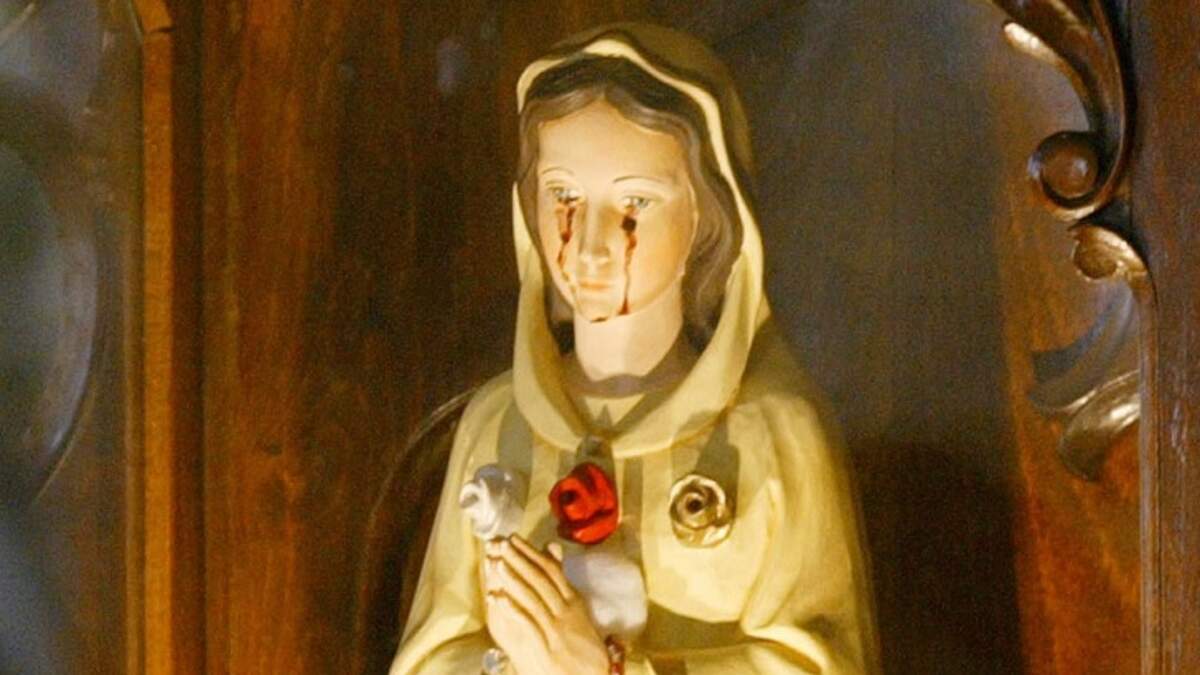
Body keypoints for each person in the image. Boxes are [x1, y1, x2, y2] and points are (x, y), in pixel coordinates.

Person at [390, 23, 879, 674]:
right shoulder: (496, 424)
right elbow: (430, 657)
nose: (589, 244)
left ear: (708, 214)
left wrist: (604, 668)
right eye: (563, 196)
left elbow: (819, 663)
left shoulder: (773, 430)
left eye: (635, 202)